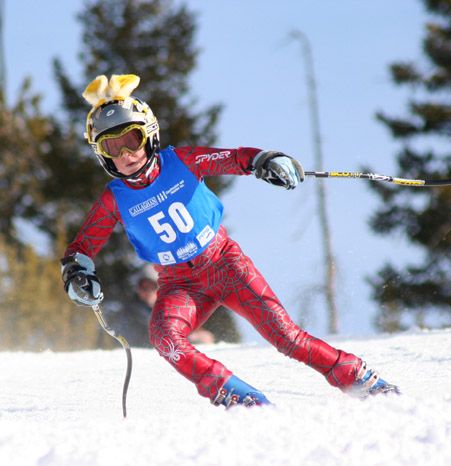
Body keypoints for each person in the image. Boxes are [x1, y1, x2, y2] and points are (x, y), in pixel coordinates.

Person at [60, 74, 399, 408]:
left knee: (286, 337)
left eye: (131, 139)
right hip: (180, 283)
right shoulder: (114, 199)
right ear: (101, 154)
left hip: (225, 264)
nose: (125, 154)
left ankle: (357, 377)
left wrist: (263, 160)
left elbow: (233, 158)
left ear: (148, 134)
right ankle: (236, 395)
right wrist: (77, 274)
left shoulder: (181, 162)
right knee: (165, 340)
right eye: (112, 147)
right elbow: (81, 249)